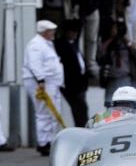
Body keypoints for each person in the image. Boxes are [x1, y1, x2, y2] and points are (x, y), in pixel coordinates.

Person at [23, 20, 66, 155]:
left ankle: (50, 141)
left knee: (52, 112)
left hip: (50, 82)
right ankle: (43, 142)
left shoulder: (46, 44)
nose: (53, 33)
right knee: (44, 113)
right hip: (42, 83)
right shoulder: (36, 45)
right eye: (51, 31)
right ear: (45, 32)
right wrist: (40, 80)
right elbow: (34, 64)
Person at [54, 19, 89, 128]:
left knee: (82, 108)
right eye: (72, 32)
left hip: (80, 82)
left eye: (76, 32)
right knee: (79, 107)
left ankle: (82, 127)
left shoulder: (75, 44)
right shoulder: (61, 44)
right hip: (70, 83)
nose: (75, 34)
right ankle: (81, 128)